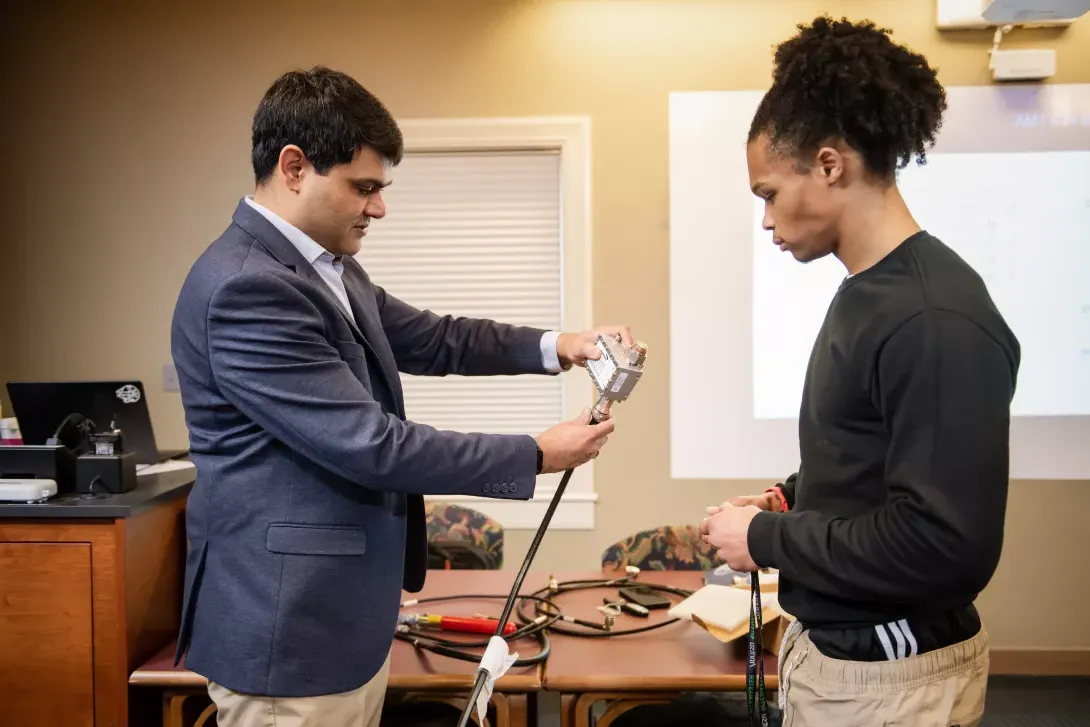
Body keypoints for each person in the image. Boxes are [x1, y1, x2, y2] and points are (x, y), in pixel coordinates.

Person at [170, 66, 633, 727]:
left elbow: (437, 339)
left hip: (340, 625)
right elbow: (371, 444)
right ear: (294, 166)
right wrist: (534, 452)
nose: (379, 207)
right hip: (290, 637)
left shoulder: (328, 268)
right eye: (364, 188)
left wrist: (563, 344)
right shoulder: (248, 288)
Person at [700, 16, 1020, 727]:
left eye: (768, 194)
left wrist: (763, 540)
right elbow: (874, 456)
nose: (765, 221)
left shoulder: (933, 317)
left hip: (893, 684)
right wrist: (791, 497)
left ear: (830, 164)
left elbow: (943, 545)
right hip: (845, 666)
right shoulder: (869, 292)